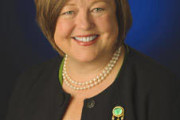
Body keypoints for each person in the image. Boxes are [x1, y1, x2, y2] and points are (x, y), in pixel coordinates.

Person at [6, 0, 179, 120]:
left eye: (98, 9)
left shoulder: (162, 89)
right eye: (68, 11)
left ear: (117, 14)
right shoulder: (28, 83)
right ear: (49, 19)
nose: (84, 24)